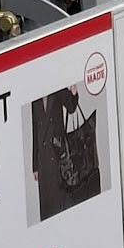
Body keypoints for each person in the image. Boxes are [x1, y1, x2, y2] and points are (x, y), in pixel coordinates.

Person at [32, 86, 78, 221]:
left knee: (61, 201)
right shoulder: (33, 96)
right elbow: (35, 130)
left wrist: (74, 92)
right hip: (43, 158)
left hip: (58, 153)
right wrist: (35, 165)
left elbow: (71, 108)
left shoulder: (56, 88)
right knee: (47, 205)